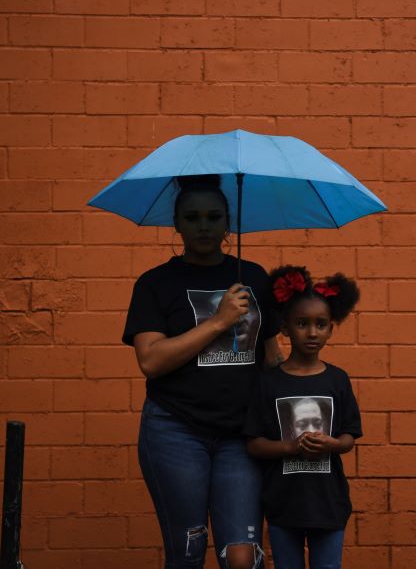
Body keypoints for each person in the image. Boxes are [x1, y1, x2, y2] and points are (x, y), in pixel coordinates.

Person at [122, 174, 283, 569]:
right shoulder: (155, 284)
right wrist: (218, 321)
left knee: (244, 557)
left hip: (240, 436)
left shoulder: (254, 277)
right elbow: (152, 361)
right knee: (188, 553)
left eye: (214, 216)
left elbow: (272, 357)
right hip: (175, 430)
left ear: (228, 222)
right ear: (176, 223)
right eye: (192, 217)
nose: (204, 226)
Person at [244, 266, 362, 569]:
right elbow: (254, 444)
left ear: (331, 328)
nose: (312, 332)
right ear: (284, 327)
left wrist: (331, 444)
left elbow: (349, 438)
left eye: (321, 324)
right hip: (284, 503)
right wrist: (290, 447)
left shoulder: (338, 380)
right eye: (302, 323)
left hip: (329, 503)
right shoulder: (268, 382)